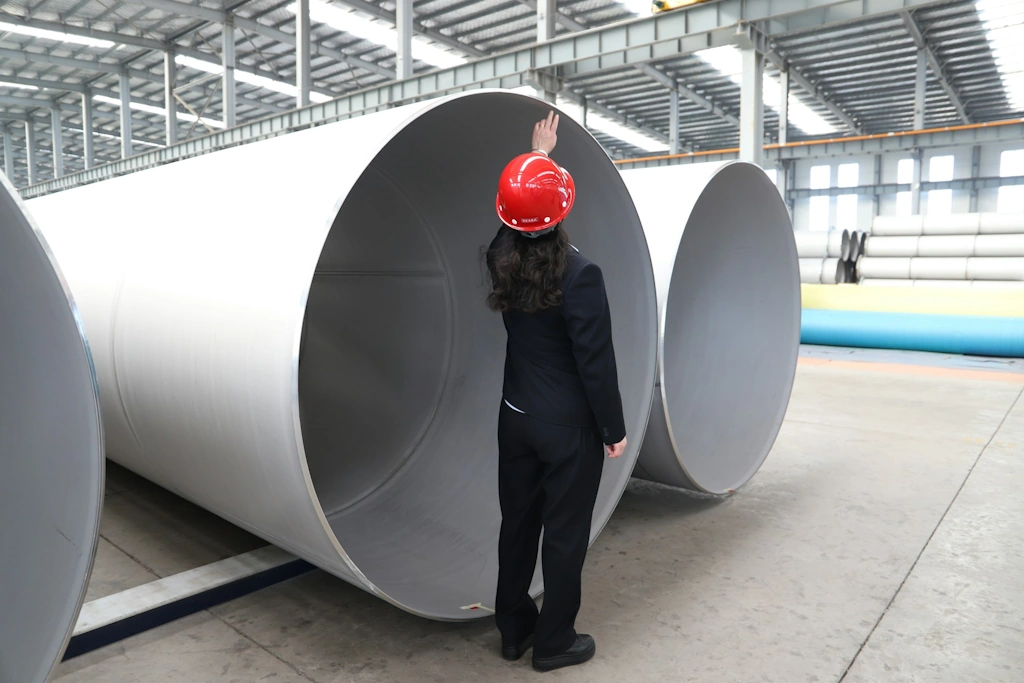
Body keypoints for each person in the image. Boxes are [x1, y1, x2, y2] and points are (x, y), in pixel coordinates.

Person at [485, 112, 628, 673]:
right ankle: (554, 642)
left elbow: (512, 217)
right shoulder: (580, 274)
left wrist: (536, 158)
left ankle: (513, 629)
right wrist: (612, 430)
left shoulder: (498, 257)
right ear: (563, 210)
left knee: (517, 523)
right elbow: (596, 362)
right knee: (564, 535)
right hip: (568, 429)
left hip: (515, 416)